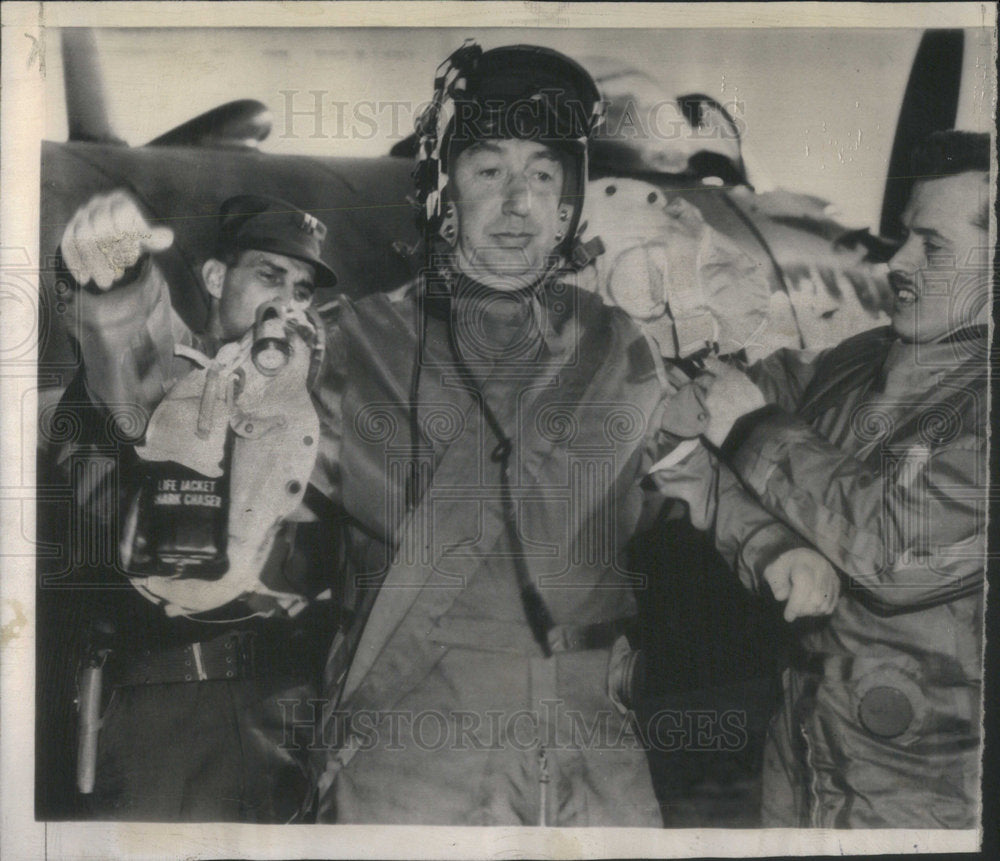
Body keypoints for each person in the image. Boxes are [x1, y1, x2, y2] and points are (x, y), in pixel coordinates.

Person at [301, 41, 834, 826]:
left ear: (567, 209)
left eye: (542, 176)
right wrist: (120, 309)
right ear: (443, 195)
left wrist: (772, 548)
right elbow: (208, 442)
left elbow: (686, 470)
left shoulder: (616, 343)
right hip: (417, 736)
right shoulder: (348, 343)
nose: (517, 203)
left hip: (593, 731)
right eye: (489, 172)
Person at [682, 130, 990, 828]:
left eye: (932, 245)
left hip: (930, 787)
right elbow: (699, 417)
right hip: (801, 750)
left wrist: (752, 429)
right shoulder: (856, 359)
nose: (899, 261)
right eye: (904, 236)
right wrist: (765, 542)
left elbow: (892, 549)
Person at [52, 193, 343, 821]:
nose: (288, 298)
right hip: (169, 712)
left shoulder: (309, 407)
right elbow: (132, 342)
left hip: (283, 714)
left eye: (303, 288)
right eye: (269, 274)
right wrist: (117, 279)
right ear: (215, 278)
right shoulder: (177, 377)